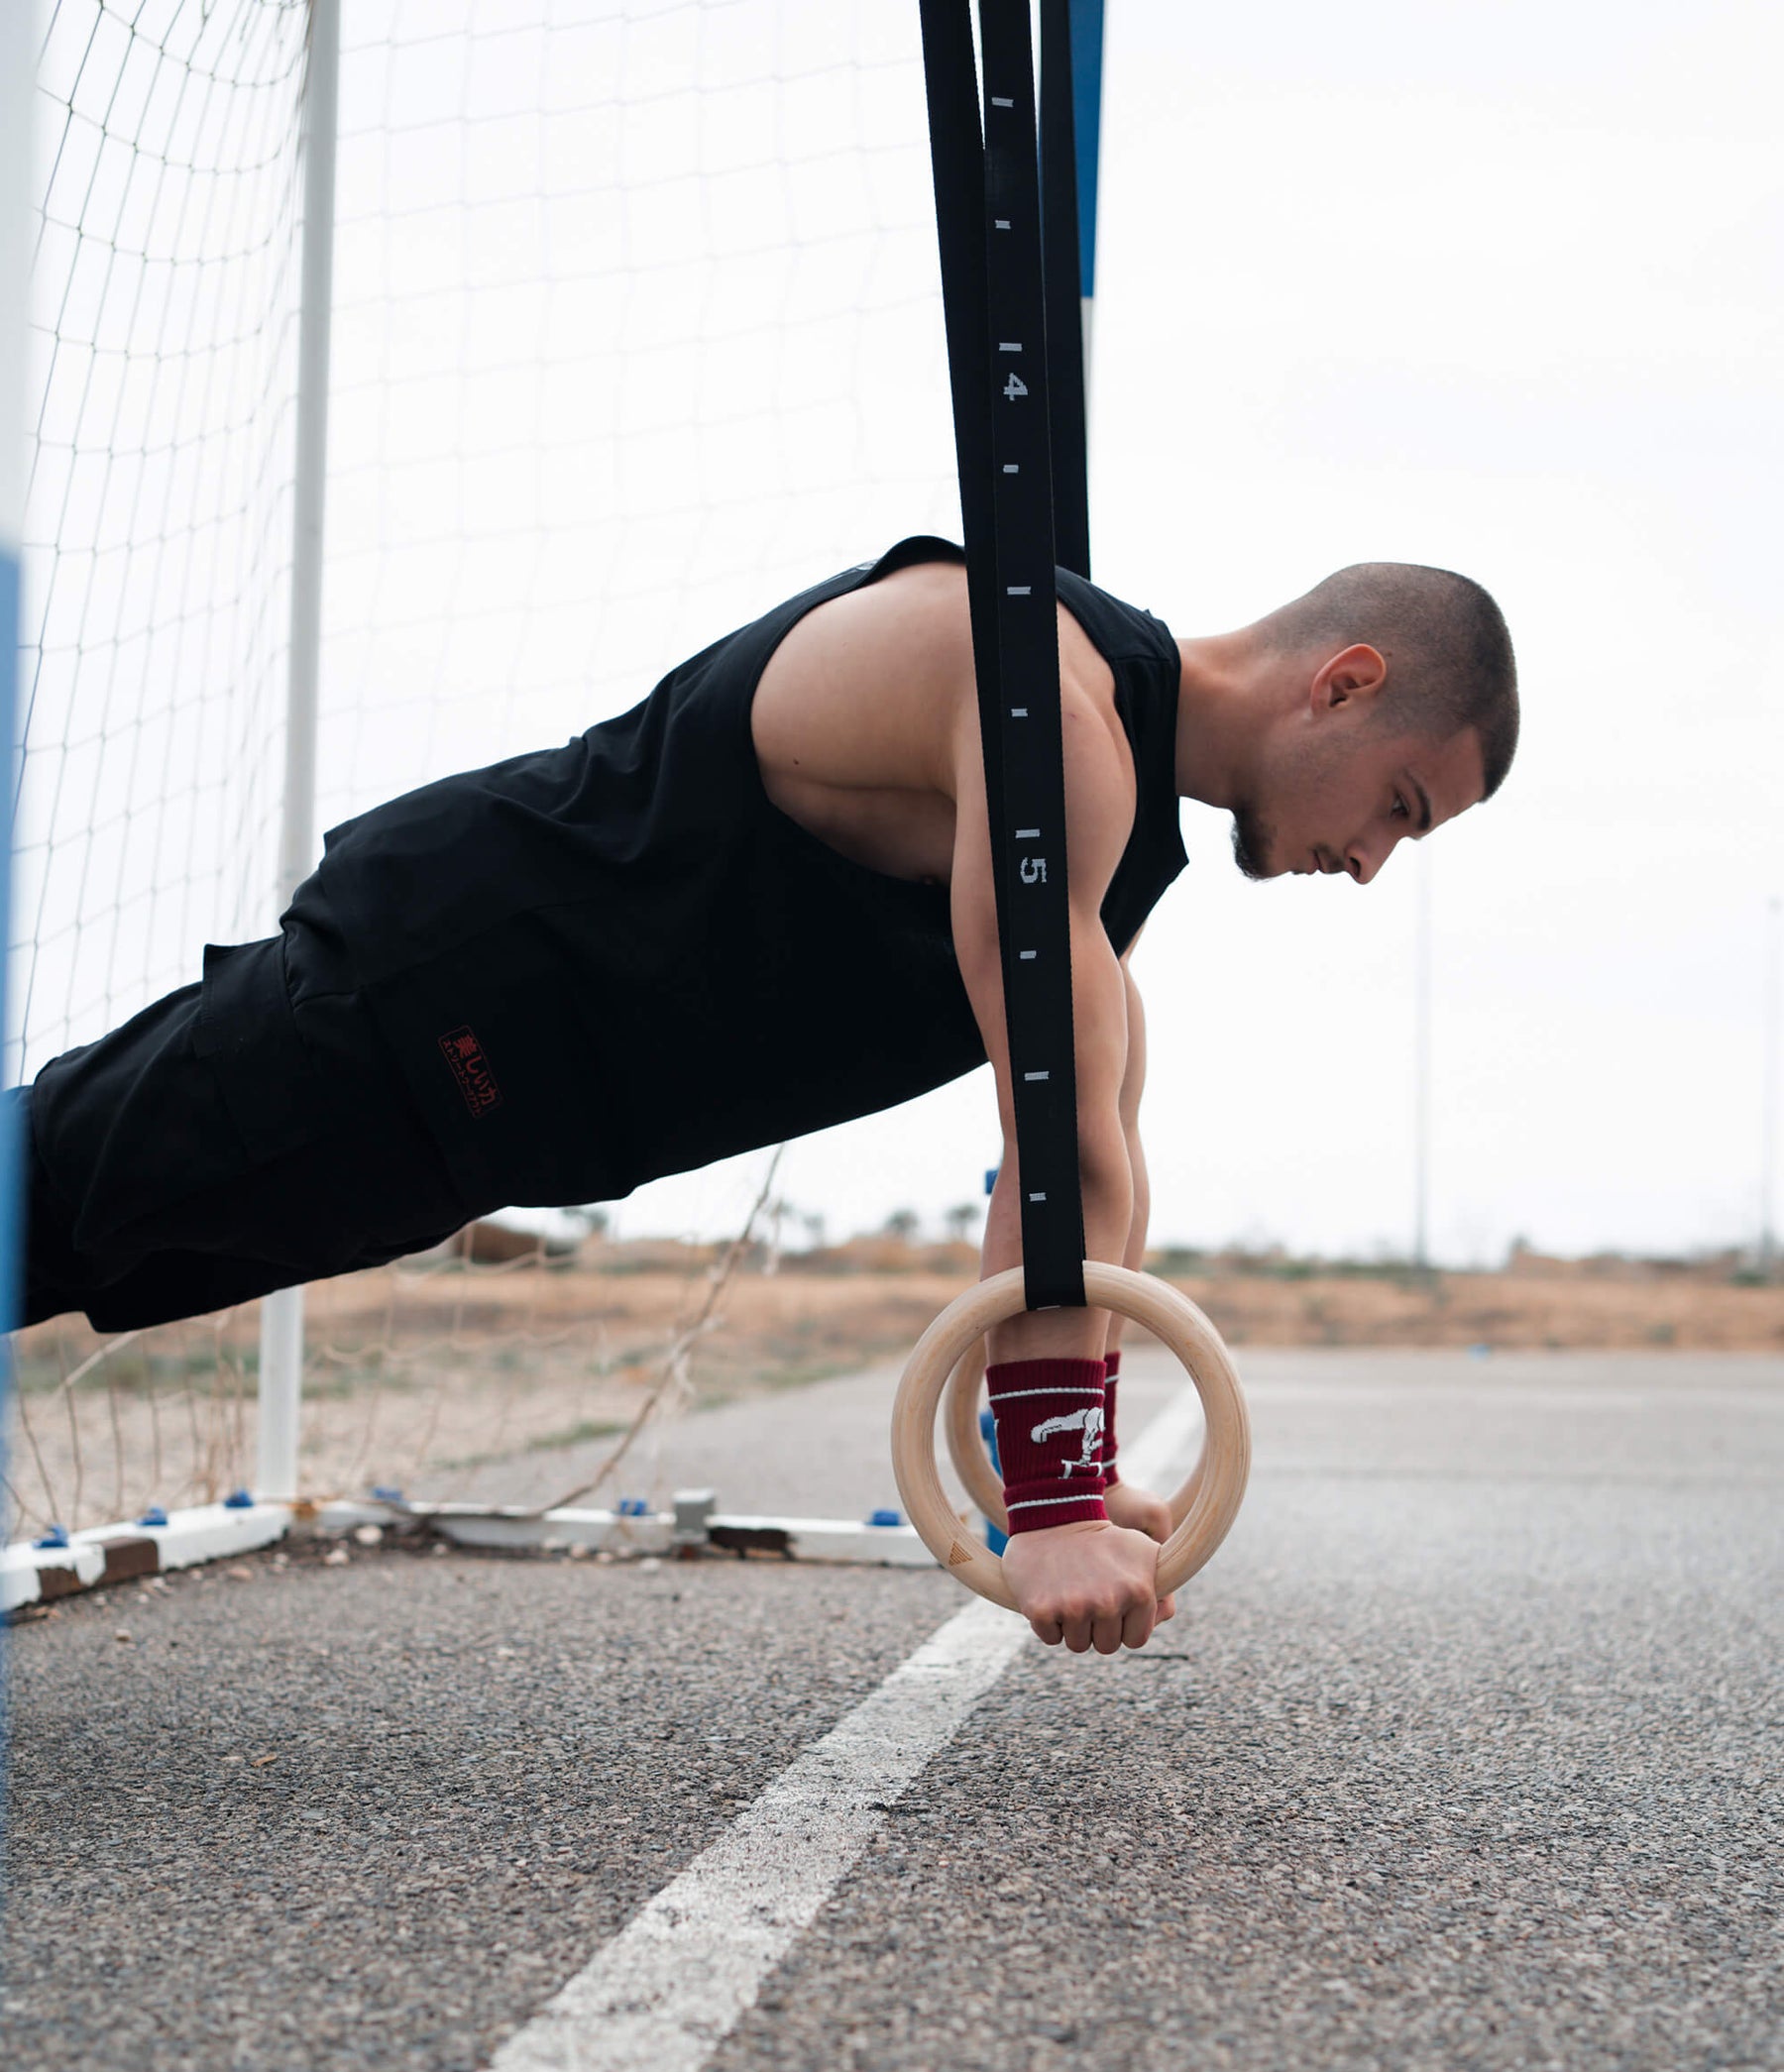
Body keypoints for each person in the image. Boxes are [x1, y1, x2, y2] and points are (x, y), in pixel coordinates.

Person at [17, 535, 1517, 1653]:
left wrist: (1061, 1456)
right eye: (1399, 806)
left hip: (479, 1114)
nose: (1373, 862)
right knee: (39, 1204)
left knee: (75, 1254)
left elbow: (1091, 1158)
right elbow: (1052, 1131)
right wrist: (1051, 1501)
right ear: (1346, 682)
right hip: (428, 1002)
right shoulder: (1041, 707)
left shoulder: (1109, 825)